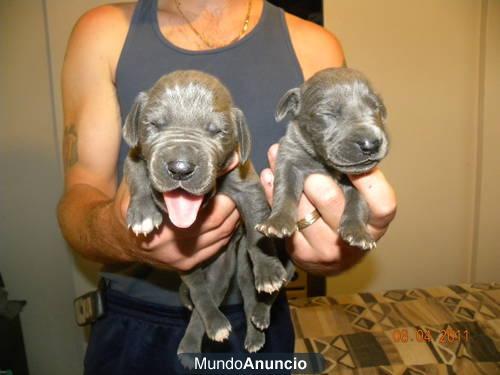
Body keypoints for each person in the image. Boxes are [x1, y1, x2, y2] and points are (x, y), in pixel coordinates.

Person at [57, 0, 397, 373]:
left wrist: (338, 245)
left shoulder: (317, 45)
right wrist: (121, 236)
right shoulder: (102, 31)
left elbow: (330, 191)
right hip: (135, 319)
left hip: (260, 312)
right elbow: (79, 199)